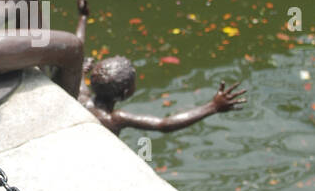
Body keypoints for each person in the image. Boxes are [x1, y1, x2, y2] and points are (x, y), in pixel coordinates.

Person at [80, 56, 247, 137]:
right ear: (125, 93)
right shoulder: (114, 118)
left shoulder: (82, 95)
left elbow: (79, 55)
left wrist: (83, 17)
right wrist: (212, 107)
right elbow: (163, 124)